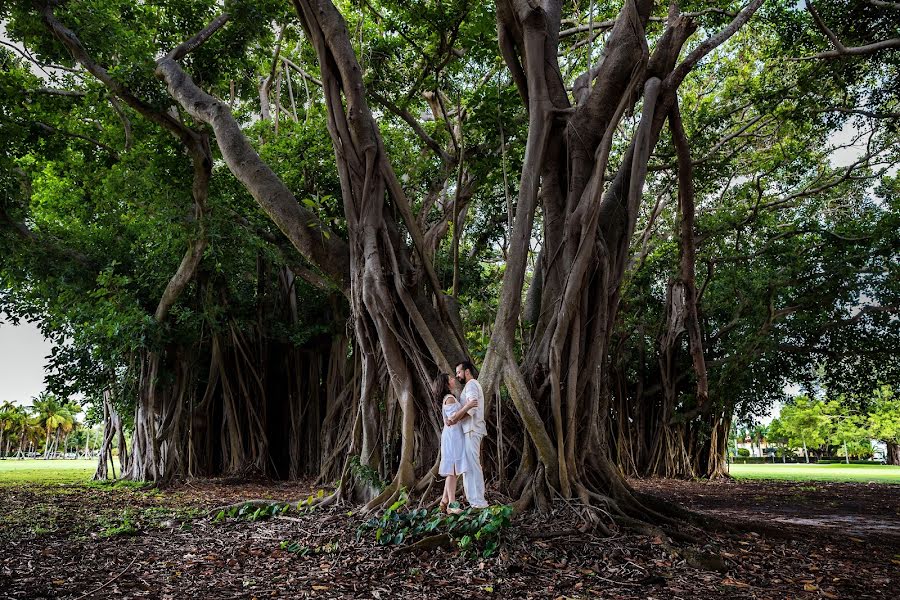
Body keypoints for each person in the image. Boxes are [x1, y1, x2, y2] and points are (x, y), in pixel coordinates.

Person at [446, 360, 488, 508]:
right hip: (470, 429)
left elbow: (472, 408)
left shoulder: (471, 385)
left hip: (472, 429)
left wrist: (455, 418)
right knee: (469, 465)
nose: (457, 376)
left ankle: (478, 502)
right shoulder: (470, 386)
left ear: (467, 371)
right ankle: (475, 501)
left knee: (471, 465)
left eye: (458, 372)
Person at [433, 373, 468, 514]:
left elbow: (452, 419)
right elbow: (452, 420)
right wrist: (468, 407)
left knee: (452, 470)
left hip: (453, 435)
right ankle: (451, 506)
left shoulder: (450, 397)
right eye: (451, 379)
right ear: (447, 384)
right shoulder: (449, 398)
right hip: (453, 436)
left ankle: (444, 501)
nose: (453, 379)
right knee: (452, 471)